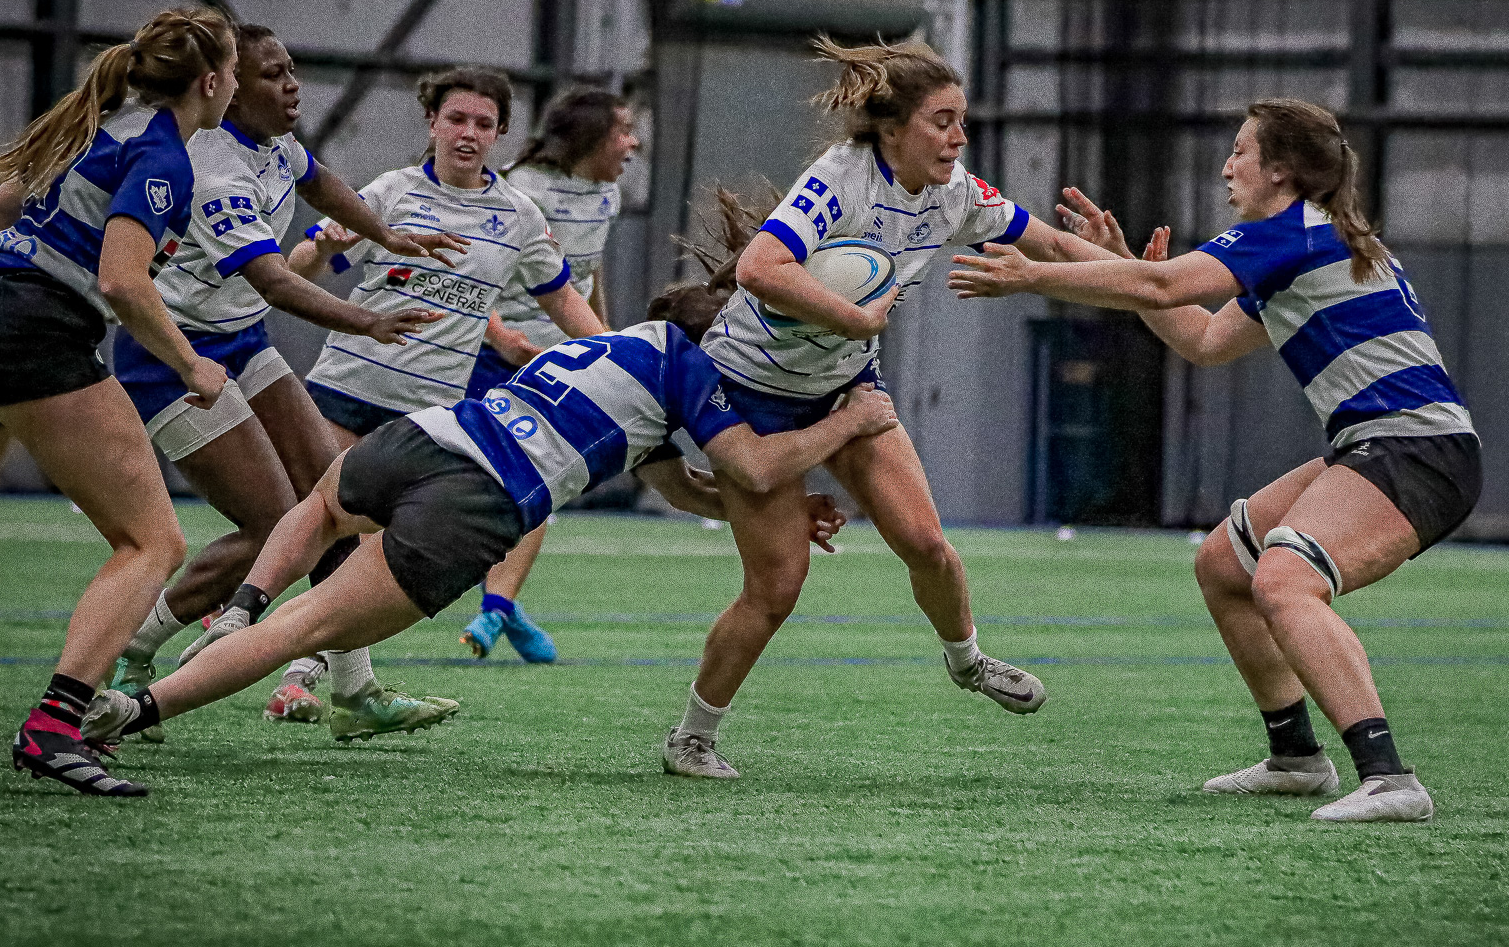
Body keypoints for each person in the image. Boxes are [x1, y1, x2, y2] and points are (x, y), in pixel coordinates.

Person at [82, 301, 898, 775]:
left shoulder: (612, 350)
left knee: (318, 509)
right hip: (479, 498)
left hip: (427, 434)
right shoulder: (690, 366)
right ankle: (130, 708)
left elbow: (682, 485)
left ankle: (239, 607)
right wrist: (855, 419)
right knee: (308, 629)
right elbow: (750, 470)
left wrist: (783, 510)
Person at [949, 97, 1482, 823]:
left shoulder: (1283, 234)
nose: (1227, 165)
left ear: (1283, 171)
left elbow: (1162, 286)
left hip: (1416, 449)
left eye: (1240, 151)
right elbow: (1201, 337)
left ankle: (1391, 778)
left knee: (1287, 580)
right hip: (1380, 443)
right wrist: (1115, 264)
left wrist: (1039, 276)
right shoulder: (1304, 241)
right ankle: (1296, 758)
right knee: (1226, 565)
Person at [658, 34, 1114, 780]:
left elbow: (1052, 244)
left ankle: (967, 663)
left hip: (848, 390)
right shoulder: (839, 178)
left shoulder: (956, 193)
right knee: (776, 588)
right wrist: (856, 320)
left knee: (927, 544)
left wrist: (1147, 274)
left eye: (961, 120)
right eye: (942, 120)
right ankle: (693, 738)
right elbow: (759, 266)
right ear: (893, 128)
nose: (958, 137)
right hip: (751, 393)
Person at [105, 23, 471, 742]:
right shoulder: (212, 169)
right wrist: (367, 320)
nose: (293, 85)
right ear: (230, 88)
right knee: (272, 526)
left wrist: (387, 234)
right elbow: (272, 280)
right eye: (273, 75)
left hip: (241, 341)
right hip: (172, 354)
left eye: (292, 69)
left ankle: (354, 690)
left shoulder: (271, 143)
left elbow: (321, 181)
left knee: (334, 498)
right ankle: (133, 651)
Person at [244, 65, 604, 731]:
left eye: (483, 124)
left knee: (367, 555)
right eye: (457, 119)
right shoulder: (390, 193)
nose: (468, 133)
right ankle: (276, 664)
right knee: (318, 535)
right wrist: (322, 246)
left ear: (500, 134)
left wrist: (618, 355)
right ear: (432, 124)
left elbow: (562, 299)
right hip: (349, 389)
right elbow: (297, 272)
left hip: (428, 417)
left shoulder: (517, 216)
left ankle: (322, 683)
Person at [0, 7, 238, 796]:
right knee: (152, 543)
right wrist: (193, 365)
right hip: (37, 333)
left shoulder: (98, 121)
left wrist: (12, 299)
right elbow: (122, 279)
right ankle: (52, 731)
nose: (239, 86)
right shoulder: (163, 155)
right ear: (210, 82)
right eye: (238, 73)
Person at [459, 86, 641, 662]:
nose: (633, 142)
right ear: (590, 137)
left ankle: (497, 609)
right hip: (491, 356)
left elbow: (586, 274)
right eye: (623, 131)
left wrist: (605, 342)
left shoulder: (608, 194)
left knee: (537, 486)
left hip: (557, 366)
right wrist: (501, 336)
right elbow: (468, 267)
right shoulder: (519, 190)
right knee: (477, 483)